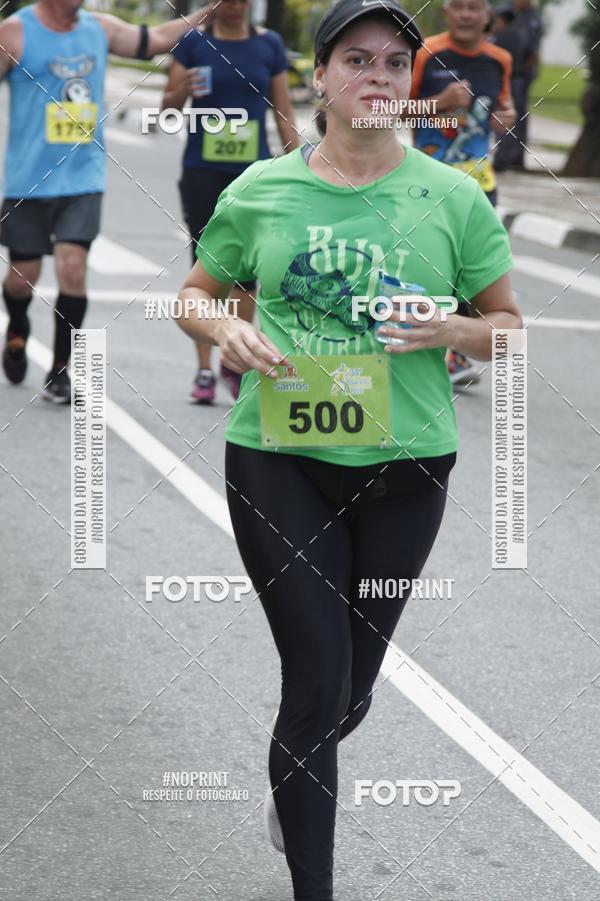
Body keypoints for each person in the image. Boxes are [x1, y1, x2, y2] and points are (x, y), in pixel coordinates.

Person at [176, 1, 522, 898]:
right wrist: (224, 330)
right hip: (279, 457)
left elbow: (510, 330)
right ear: (321, 76)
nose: (378, 75)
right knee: (316, 676)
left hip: (408, 470)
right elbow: (193, 295)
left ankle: (295, 779)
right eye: (358, 59)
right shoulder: (262, 189)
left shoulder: (452, 197)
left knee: (349, 694)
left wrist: (450, 327)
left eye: (395, 63)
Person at [0, 0, 214, 403]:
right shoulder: (14, 32)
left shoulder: (99, 27)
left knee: (73, 268)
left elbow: (156, 39)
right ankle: (17, 327)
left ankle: (60, 369)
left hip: (83, 178)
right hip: (28, 182)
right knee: (21, 278)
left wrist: (208, 11)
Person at [161, 0, 299, 405]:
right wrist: (182, 90)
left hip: (254, 174)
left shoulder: (269, 45)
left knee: (248, 274)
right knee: (205, 269)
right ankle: (204, 369)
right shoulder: (192, 43)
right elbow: (167, 111)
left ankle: (235, 362)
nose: (236, 6)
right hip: (203, 170)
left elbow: (283, 111)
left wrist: (301, 166)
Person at [409, 0, 515, 386]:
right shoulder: (425, 53)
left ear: (487, 15)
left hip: (478, 182)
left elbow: (503, 110)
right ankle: (435, 345)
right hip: (427, 181)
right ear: (446, 11)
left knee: (474, 273)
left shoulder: (500, 59)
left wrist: (505, 120)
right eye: (459, 7)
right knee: (434, 266)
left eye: (475, 8)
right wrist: (439, 104)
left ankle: (455, 350)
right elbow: (392, 111)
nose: (467, 15)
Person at [494, 0, 543, 171]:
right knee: (512, 116)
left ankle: (509, 158)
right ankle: (510, 158)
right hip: (513, 76)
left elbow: (533, 54)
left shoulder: (529, 21)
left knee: (512, 116)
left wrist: (520, 71)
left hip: (517, 77)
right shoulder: (514, 18)